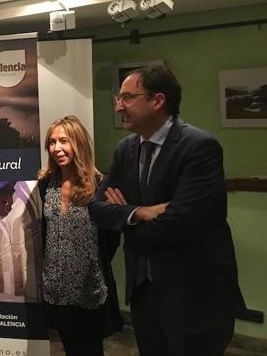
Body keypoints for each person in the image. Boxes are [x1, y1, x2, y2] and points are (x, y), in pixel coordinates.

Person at [89, 65, 246, 356]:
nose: (118, 106)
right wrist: (141, 213)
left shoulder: (199, 147)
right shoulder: (126, 149)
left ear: (157, 100)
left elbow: (180, 224)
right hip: (145, 294)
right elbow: (96, 209)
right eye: (117, 98)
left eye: (126, 97)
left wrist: (124, 215)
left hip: (195, 296)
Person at [38, 116, 123, 356]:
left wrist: (89, 262)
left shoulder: (100, 185)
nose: (57, 148)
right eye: (52, 142)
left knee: (91, 350)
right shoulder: (47, 184)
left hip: (89, 288)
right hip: (57, 286)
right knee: (70, 348)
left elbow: (112, 236)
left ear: (79, 143)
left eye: (64, 141)